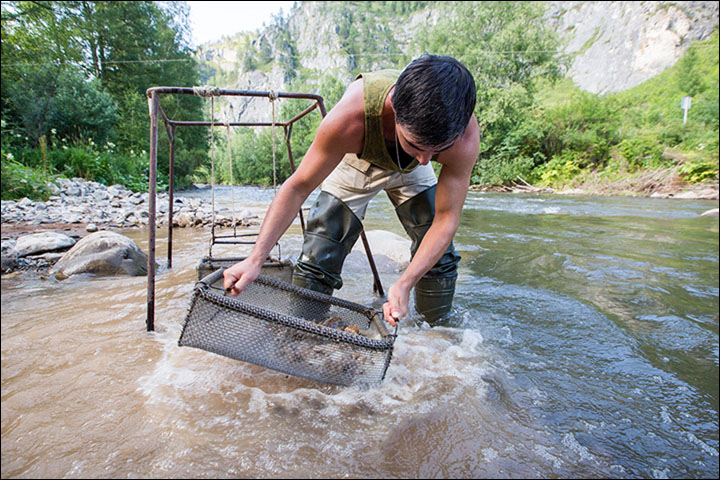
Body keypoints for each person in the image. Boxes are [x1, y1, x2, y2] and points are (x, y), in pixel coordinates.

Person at [223, 54, 480, 326]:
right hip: (359, 154)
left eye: (437, 151)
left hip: (413, 167)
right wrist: (255, 259)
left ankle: (435, 335)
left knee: (441, 255)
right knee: (321, 250)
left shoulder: (462, 136)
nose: (426, 161)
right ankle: (301, 334)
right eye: (416, 145)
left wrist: (404, 283)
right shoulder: (349, 119)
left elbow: (446, 220)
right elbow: (298, 187)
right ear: (393, 109)